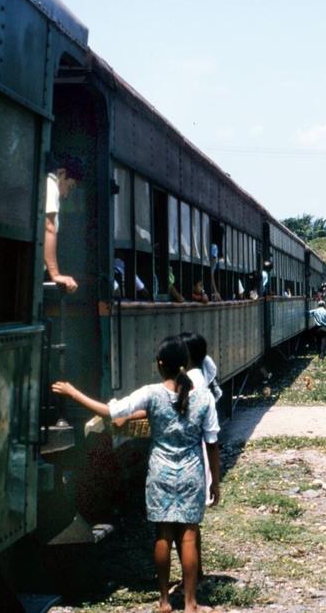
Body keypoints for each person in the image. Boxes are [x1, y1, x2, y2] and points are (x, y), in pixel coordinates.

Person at [52, 336, 220, 613]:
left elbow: (110, 411)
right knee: (188, 535)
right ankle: (191, 604)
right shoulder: (203, 397)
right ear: (184, 364)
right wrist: (215, 481)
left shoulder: (151, 393)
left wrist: (73, 393)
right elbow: (212, 443)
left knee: (162, 535)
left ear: (160, 364)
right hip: (192, 473)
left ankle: (164, 601)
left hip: (160, 474)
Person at [44, 154, 84, 294]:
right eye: (70, 186)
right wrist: (55, 274)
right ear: (62, 173)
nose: (66, 195)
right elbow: (48, 227)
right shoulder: (51, 185)